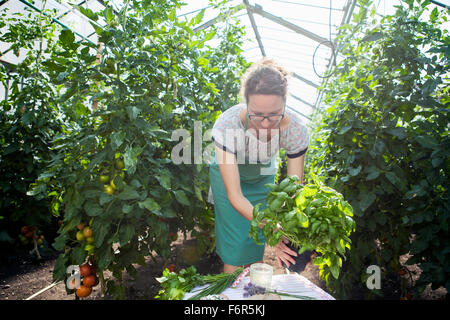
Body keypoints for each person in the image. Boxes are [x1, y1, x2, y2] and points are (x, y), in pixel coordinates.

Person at [208, 57, 310, 274]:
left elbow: (294, 188)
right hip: (229, 180)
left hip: (262, 175)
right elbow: (235, 196)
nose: (265, 123)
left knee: (254, 243)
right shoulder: (228, 124)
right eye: (257, 115)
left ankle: (248, 292)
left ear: (284, 102)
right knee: (236, 245)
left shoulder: (296, 130)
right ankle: (234, 296)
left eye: (274, 115)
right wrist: (272, 228)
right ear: (246, 103)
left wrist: (286, 228)